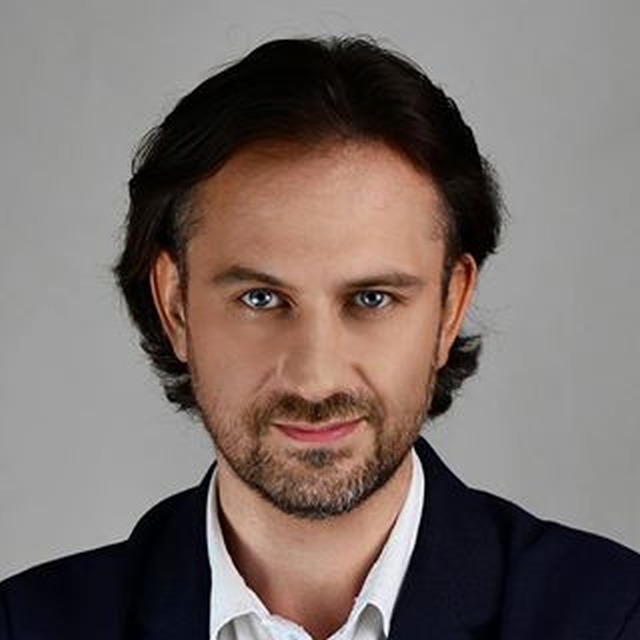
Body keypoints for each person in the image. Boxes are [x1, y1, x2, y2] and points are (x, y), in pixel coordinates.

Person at [1, 35, 639, 640]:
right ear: (175, 305)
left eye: (372, 299)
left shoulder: (613, 618)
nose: (315, 378)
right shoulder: (24, 625)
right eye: (261, 299)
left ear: (450, 308)